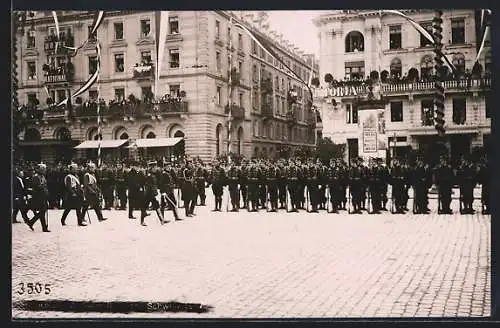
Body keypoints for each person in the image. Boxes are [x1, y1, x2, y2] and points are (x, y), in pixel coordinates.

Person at [26, 163, 50, 232]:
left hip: (43, 196)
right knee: (42, 211)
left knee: (42, 211)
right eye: (43, 169)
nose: (45, 170)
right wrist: (42, 187)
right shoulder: (36, 177)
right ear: (40, 169)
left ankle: (31, 222)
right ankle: (44, 227)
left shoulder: (43, 176)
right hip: (38, 196)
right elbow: (35, 186)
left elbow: (45, 185)